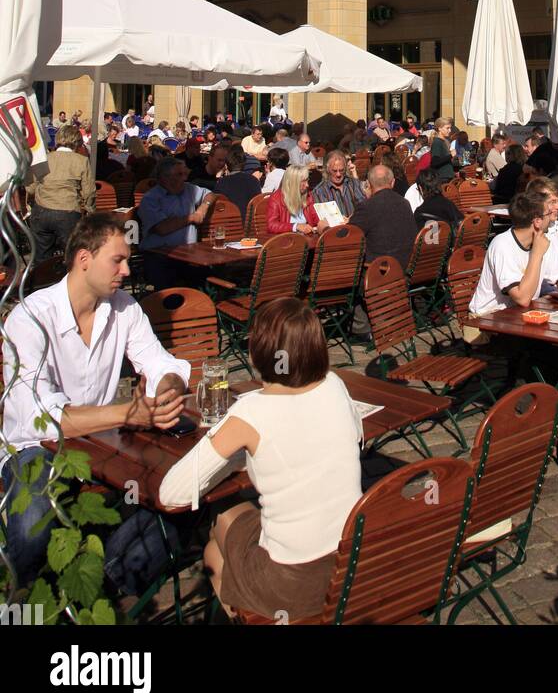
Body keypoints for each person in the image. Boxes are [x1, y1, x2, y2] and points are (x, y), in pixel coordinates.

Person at [1, 213, 190, 588]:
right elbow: (42, 419)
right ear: (83, 258)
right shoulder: (30, 317)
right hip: (34, 448)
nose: (126, 270)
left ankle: (92, 590)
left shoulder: (124, 308)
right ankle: (17, 596)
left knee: (181, 502)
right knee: (36, 522)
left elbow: (160, 363)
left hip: (101, 444)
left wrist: (167, 390)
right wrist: (130, 412)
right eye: (117, 260)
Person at [159, 297, 362, 619]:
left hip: (292, 583)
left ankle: (246, 613)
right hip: (349, 561)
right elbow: (356, 437)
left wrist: (235, 458)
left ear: (255, 353)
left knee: (218, 526)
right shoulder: (336, 386)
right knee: (219, 546)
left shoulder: (250, 413)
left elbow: (171, 494)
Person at [469, 190, 558, 316]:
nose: (552, 216)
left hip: (521, 315)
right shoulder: (502, 245)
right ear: (537, 222)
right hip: (488, 318)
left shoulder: (543, 240)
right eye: (548, 213)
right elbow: (522, 298)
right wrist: (536, 254)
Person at [138, 158, 218, 289]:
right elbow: (162, 228)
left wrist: (203, 207)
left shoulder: (189, 190)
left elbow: (210, 194)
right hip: (160, 256)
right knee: (171, 290)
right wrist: (191, 218)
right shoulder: (151, 199)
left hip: (188, 254)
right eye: (179, 174)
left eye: (184, 174)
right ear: (165, 178)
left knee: (213, 276)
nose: (184, 178)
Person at [26, 123, 96, 265]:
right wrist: (89, 211)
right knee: (72, 257)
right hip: (68, 212)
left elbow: (30, 188)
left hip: (41, 211)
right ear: (77, 142)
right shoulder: (82, 161)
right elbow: (89, 192)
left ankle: (42, 284)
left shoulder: (44, 158)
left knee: (41, 261)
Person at [349, 164, 417, 269]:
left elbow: (348, 236)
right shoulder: (405, 203)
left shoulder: (367, 206)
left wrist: (325, 228)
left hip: (379, 271)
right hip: (406, 267)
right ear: (393, 183)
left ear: (368, 184)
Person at [267, 165, 319, 236]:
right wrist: (295, 226)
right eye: (303, 181)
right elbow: (271, 225)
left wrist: (323, 222)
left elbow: (315, 217)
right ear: (293, 182)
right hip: (286, 241)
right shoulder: (276, 199)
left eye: (307, 180)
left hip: (308, 238)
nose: (307, 185)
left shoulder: (307, 196)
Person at [312, 152, 367, 219]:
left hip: (356, 225)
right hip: (335, 228)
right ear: (328, 169)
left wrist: (353, 218)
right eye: (334, 171)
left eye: (341, 170)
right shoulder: (319, 191)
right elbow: (325, 218)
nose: (338, 174)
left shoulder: (354, 184)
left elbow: (364, 206)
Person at [217, 144, 262, 224]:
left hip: (229, 224)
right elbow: (258, 203)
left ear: (226, 166)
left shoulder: (222, 182)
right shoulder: (254, 181)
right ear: (244, 164)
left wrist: (219, 175)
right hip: (250, 225)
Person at [430, 117, 457, 185]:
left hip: (447, 177)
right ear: (440, 128)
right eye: (447, 128)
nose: (450, 130)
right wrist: (450, 155)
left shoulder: (444, 141)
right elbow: (435, 161)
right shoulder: (437, 142)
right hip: (442, 179)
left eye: (450, 128)